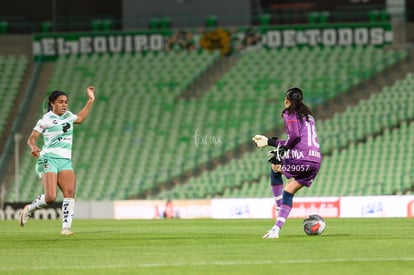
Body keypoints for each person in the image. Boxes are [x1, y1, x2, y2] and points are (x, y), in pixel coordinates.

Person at [19, 86, 95, 236]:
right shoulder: (46, 119)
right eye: (60, 102)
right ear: (52, 103)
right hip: (49, 158)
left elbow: (79, 118)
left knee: (70, 192)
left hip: (65, 160)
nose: (64, 104)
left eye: (66, 102)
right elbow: (31, 138)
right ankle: (30, 208)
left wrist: (91, 100)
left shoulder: (68, 115)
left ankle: (66, 228)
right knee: (50, 197)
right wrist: (33, 147)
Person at [252, 87, 322, 239]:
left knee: (275, 165)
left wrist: (271, 143)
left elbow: (295, 136)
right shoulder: (309, 117)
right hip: (315, 161)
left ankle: (279, 208)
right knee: (289, 190)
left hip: (301, 157)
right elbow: (299, 139)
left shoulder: (289, 112)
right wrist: (272, 143)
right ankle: (276, 229)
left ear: (287, 101)